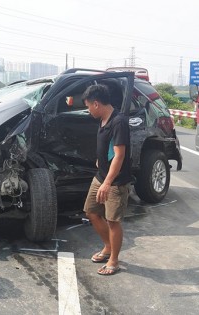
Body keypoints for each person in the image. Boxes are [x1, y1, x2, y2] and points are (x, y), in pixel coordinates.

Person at [81, 84, 131, 276]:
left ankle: (114, 260)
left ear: (96, 103)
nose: (88, 111)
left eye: (88, 106)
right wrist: (100, 159)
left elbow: (119, 155)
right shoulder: (102, 120)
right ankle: (108, 247)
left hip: (115, 181)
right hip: (100, 175)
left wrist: (108, 183)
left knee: (112, 221)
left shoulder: (118, 122)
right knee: (91, 212)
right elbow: (108, 147)